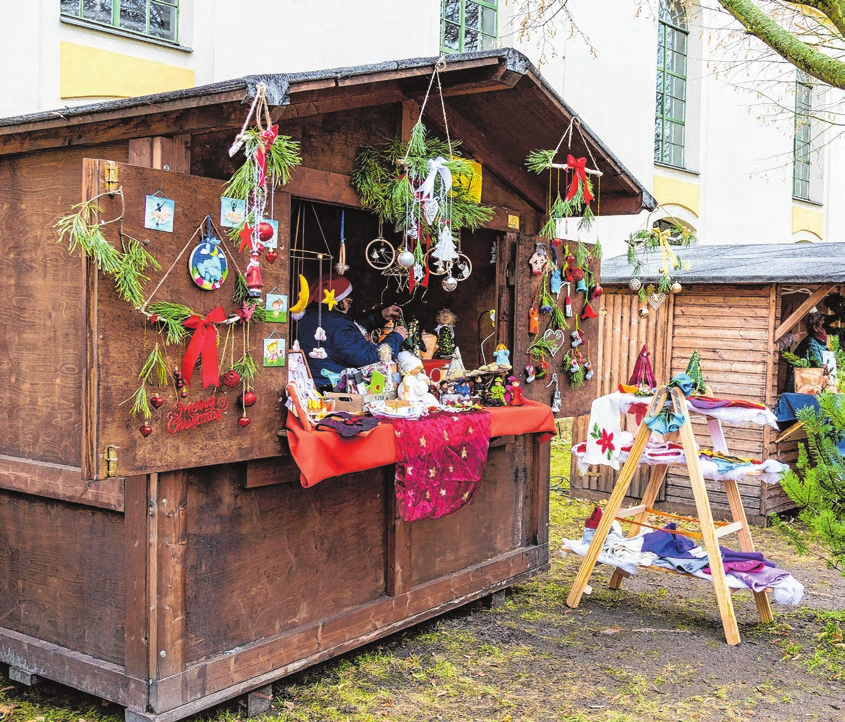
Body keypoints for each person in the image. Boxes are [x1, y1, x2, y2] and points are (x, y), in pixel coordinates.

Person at [297, 277, 408, 390]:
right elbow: (368, 357)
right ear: (337, 302)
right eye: (347, 300)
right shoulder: (338, 325)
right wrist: (396, 337)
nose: (350, 303)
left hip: (315, 382)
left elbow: (351, 326)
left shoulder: (314, 316)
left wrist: (380, 316)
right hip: (331, 388)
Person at [786, 311, 829, 392]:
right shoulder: (810, 345)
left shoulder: (820, 343)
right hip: (801, 391)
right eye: (824, 325)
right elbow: (818, 367)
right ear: (815, 328)